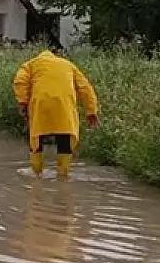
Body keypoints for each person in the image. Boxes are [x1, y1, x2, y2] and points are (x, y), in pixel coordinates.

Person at [12, 46, 99, 178]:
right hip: (64, 106)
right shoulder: (69, 65)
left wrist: (23, 103)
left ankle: (36, 173)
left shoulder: (30, 65)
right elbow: (85, 88)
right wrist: (91, 110)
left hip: (40, 105)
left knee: (36, 138)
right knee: (64, 138)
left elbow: (20, 82)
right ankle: (63, 174)